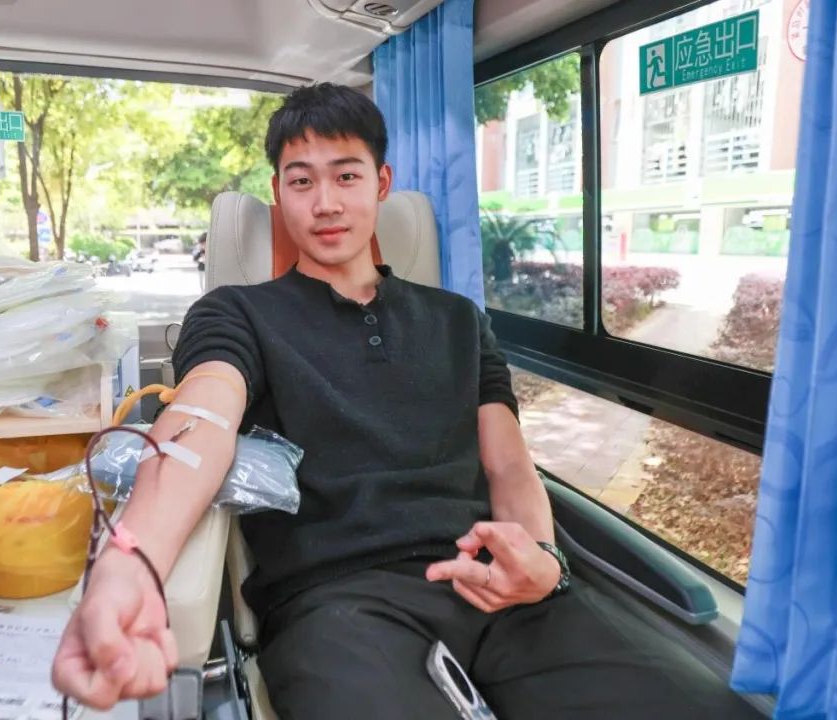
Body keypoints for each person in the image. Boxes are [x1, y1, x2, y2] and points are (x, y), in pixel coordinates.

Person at [52, 83, 762, 719]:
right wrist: (131, 560)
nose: (325, 203)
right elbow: (200, 421)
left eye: (346, 175)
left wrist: (543, 560)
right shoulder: (236, 313)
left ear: (381, 182)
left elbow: (509, 466)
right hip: (337, 603)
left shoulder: (459, 320)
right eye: (301, 181)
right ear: (278, 192)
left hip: (493, 581)